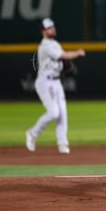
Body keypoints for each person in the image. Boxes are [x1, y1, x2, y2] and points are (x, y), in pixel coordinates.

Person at [26, 18, 86, 154]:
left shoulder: (55, 44)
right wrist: (77, 53)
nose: (52, 29)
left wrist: (65, 67)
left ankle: (62, 143)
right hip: (45, 82)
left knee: (62, 114)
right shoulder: (45, 45)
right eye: (48, 28)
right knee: (54, 112)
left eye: (52, 27)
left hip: (56, 82)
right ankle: (33, 133)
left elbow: (61, 62)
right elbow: (63, 56)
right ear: (43, 31)